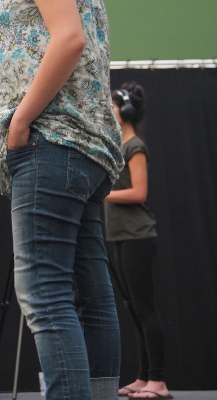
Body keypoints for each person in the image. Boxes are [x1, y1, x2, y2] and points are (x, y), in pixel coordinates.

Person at [0, 0, 124, 400]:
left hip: (52, 141)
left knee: (45, 293)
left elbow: (68, 39)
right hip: (82, 148)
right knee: (91, 294)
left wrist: (21, 120)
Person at [104, 83, 172, 400]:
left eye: (113, 105)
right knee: (134, 310)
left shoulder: (135, 147)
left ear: (126, 112)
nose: (109, 110)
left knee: (145, 310)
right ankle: (144, 377)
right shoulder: (116, 145)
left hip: (138, 236)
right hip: (120, 236)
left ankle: (158, 382)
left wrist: (103, 193)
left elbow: (139, 193)